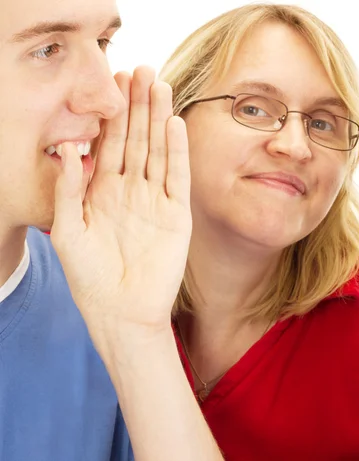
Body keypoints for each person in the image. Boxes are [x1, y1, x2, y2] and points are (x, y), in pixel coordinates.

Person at [157, 4, 359, 461]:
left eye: (322, 123)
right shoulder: (67, 276)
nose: (294, 146)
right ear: (171, 116)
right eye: (253, 107)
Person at [1, 0, 221, 459]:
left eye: (103, 42)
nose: (109, 99)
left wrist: (138, 336)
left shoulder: (99, 297)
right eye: (48, 49)